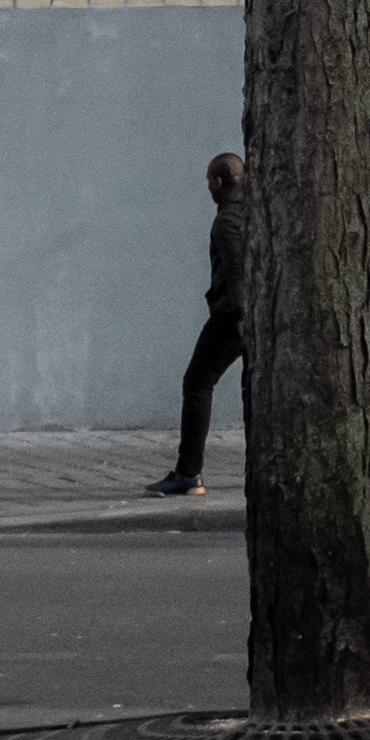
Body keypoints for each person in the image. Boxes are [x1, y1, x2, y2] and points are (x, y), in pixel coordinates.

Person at [147, 153, 246, 497]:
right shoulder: (255, 212)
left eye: (209, 181)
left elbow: (236, 274)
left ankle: (188, 473)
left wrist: (243, 319)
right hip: (256, 317)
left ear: (218, 182)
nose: (208, 187)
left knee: (197, 383)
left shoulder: (227, 221)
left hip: (232, 317)